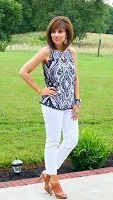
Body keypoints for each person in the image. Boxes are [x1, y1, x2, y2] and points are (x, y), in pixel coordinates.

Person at [19, 16, 81, 199]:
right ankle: (54, 181)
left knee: (71, 140)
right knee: (52, 141)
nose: (56, 34)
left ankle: (47, 172)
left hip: (70, 105)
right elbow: (23, 71)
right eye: (53, 31)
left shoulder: (72, 52)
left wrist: (77, 102)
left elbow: (75, 79)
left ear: (67, 33)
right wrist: (40, 89)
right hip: (51, 105)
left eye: (60, 31)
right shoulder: (46, 52)